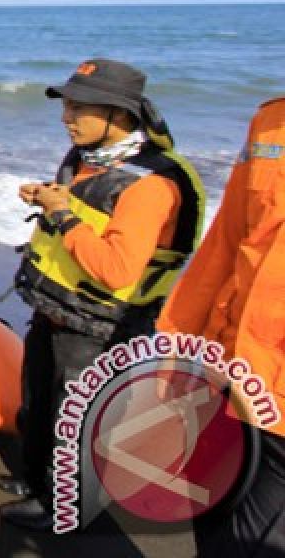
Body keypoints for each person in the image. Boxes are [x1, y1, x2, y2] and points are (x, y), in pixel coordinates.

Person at [0, 59, 204, 531]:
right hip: (58, 308)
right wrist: (48, 198)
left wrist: (63, 214)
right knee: (40, 403)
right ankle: (38, 481)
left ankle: (65, 510)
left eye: (78, 110)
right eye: (66, 107)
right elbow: (84, 214)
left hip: (101, 324)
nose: (66, 119)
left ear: (121, 116)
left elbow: (116, 269)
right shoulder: (87, 160)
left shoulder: (151, 185)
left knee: (79, 417)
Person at [157, 97, 285, 556]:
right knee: (204, 513)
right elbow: (225, 243)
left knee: (251, 543)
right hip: (226, 369)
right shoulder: (271, 123)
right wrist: (175, 340)